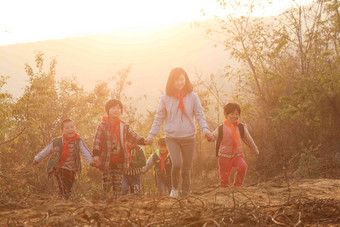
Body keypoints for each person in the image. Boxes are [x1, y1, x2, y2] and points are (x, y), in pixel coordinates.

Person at [145, 67, 213, 198]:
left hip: (189, 137)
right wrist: (151, 135)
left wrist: (205, 130)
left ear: (186, 80)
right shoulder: (165, 98)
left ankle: (185, 194)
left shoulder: (193, 97)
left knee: (187, 169)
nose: (179, 83)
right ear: (171, 82)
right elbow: (159, 118)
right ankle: (175, 189)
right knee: (177, 163)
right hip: (172, 137)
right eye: (176, 80)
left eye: (182, 79)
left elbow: (199, 115)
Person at [92, 99, 146, 197]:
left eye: (118, 108)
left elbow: (133, 136)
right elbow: (97, 141)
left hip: (119, 161)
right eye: (113, 108)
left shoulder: (124, 126)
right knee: (107, 183)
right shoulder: (102, 126)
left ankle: (117, 203)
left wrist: (143, 141)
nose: (116, 110)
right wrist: (96, 155)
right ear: (108, 110)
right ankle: (107, 203)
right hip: (106, 160)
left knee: (118, 184)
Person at [33, 119, 95, 199]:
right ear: (62, 130)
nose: (70, 129)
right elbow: (46, 151)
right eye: (67, 128)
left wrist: (91, 161)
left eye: (72, 127)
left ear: (75, 128)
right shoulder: (57, 142)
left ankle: (63, 199)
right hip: (60, 168)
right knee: (63, 184)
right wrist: (37, 159)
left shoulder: (78, 141)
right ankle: (63, 198)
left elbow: (85, 151)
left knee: (68, 187)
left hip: (72, 169)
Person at [210, 102, 259, 187]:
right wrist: (208, 136)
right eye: (232, 114)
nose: (235, 116)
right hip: (224, 156)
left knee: (243, 167)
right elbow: (213, 137)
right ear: (226, 115)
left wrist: (255, 150)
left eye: (237, 114)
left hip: (237, 155)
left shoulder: (241, 127)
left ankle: (237, 186)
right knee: (224, 179)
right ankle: (225, 192)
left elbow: (249, 139)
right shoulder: (221, 128)